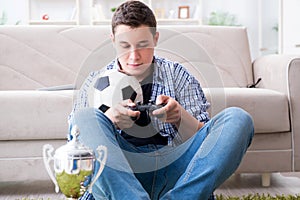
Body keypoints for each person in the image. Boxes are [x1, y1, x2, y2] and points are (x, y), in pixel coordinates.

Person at [68, 1, 254, 199]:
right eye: (125, 46)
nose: (134, 56)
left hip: (176, 171)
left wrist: (180, 117)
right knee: (85, 118)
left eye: (143, 45)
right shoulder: (95, 82)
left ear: (155, 39)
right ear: (112, 41)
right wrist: (109, 119)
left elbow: (208, 145)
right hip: (121, 175)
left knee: (238, 119)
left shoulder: (178, 75)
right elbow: (75, 146)